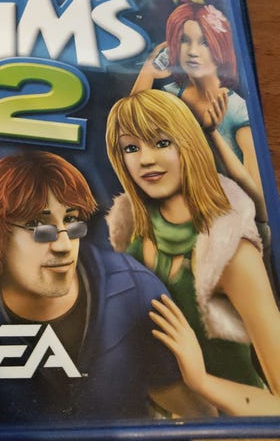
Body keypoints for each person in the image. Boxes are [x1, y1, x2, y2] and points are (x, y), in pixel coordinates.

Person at [0, 151, 215, 425]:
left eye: (72, 221)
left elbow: (199, 417)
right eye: (40, 228)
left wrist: (199, 384)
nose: (64, 245)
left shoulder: (133, 292)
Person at [105, 89, 280, 414]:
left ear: (189, 144)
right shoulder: (132, 232)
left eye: (161, 142)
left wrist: (200, 381)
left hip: (233, 424)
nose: (145, 159)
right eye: (131, 147)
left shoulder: (230, 251)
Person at [130, 2, 266, 224]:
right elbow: (127, 128)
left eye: (204, 42)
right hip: (177, 219)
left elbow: (260, 210)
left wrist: (211, 133)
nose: (192, 52)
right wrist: (148, 73)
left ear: (220, 46)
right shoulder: (170, 96)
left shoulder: (237, 110)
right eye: (184, 40)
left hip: (228, 223)